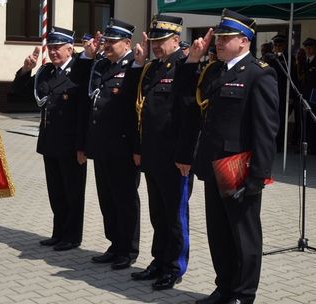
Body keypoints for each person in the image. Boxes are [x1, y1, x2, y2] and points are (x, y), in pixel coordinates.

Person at [175, 9, 279, 304]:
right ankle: (224, 287)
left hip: (239, 169)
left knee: (243, 236)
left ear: (244, 41)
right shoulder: (215, 71)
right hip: (212, 165)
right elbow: (188, 102)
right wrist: (193, 59)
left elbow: (265, 130)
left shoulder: (260, 73)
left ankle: (243, 295)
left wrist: (258, 176)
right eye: (218, 38)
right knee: (218, 234)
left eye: (225, 38)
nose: (218, 43)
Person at [125, 14, 191, 290]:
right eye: (154, 41)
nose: (155, 45)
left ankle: (174, 266)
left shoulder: (186, 67)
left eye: (161, 41)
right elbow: (137, 107)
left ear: (176, 39)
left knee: (175, 215)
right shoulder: (151, 68)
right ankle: (159, 260)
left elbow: (189, 115)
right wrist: (139, 149)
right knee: (157, 213)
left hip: (174, 158)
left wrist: (185, 156)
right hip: (152, 154)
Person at [11, 27, 89, 251]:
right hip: (49, 141)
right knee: (56, 192)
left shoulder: (79, 71)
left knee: (72, 192)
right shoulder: (46, 72)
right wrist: (27, 70)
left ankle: (72, 236)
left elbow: (84, 112)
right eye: (51, 48)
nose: (54, 52)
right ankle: (59, 232)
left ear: (70, 49)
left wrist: (82, 146)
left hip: (72, 144)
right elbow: (20, 95)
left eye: (58, 48)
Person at [81, 18, 140, 270]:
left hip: (123, 148)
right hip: (102, 145)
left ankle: (128, 249)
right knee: (107, 199)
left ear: (126, 43)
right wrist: (88, 56)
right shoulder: (102, 66)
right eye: (106, 42)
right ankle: (114, 244)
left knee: (124, 199)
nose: (107, 46)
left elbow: (138, 112)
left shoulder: (134, 66)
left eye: (112, 42)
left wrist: (137, 148)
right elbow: (82, 88)